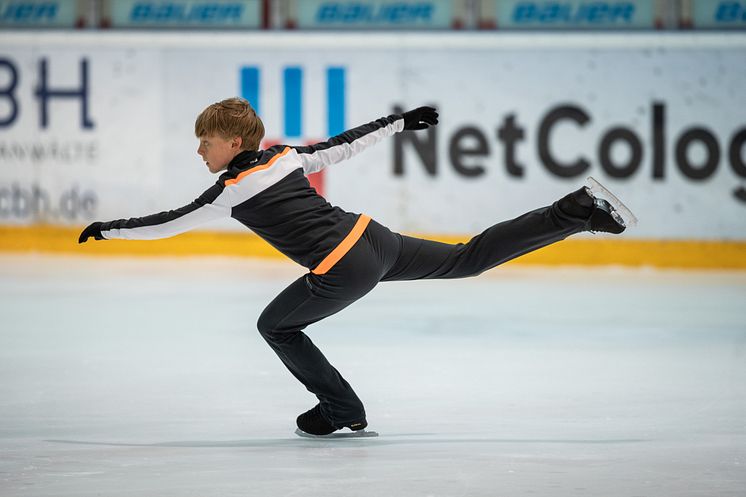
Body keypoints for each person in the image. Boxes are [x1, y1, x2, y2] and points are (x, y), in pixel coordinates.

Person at [78, 97, 629, 436]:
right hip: (374, 239)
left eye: (206, 142)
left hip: (343, 264)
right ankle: (573, 211)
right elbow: (344, 146)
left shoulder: (229, 190)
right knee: (466, 259)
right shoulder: (284, 157)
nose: (200, 151)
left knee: (276, 325)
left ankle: (340, 407)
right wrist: (399, 121)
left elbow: (171, 221)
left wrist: (109, 228)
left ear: (234, 141)